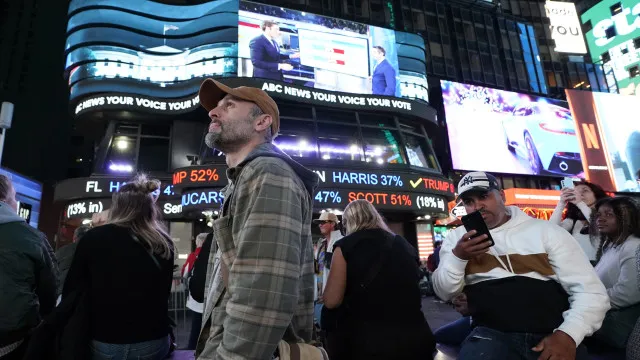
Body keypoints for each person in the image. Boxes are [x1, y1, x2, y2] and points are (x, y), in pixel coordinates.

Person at [195, 78, 319, 359]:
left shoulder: (268, 174)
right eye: (215, 107)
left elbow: (261, 298)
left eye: (229, 105)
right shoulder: (245, 178)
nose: (213, 112)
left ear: (261, 122)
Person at [432, 171, 610, 360]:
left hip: (552, 330)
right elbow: (444, 291)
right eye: (469, 202)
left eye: (484, 196)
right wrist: (459, 257)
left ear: (502, 195)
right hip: (490, 334)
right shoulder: (457, 238)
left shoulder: (546, 231)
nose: (478, 206)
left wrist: (568, 335)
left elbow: (591, 292)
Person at [63, 174, 175, 360]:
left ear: (116, 207)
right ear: (150, 208)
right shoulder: (163, 243)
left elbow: (72, 288)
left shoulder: (94, 238)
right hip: (154, 340)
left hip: (104, 339)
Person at [322, 199, 435, 360]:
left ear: (347, 222)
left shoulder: (345, 246)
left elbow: (331, 301)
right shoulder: (402, 243)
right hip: (416, 339)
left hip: (369, 343)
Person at [0, 174, 58, 360]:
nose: (16, 202)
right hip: (11, 341)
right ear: (4, 200)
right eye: (14, 197)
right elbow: (50, 291)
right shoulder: (31, 238)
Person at [589, 197, 640, 349]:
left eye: (609, 214)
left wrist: (588, 301)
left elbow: (628, 293)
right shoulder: (612, 244)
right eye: (598, 215)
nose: (600, 219)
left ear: (627, 219)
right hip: (602, 318)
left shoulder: (633, 247)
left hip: (617, 327)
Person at [549, 181, 608, 262]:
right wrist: (561, 203)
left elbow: (598, 223)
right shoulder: (573, 221)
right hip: (577, 267)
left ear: (596, 194)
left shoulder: (608, 216)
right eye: (576, 192)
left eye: (585, 191)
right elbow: (551, 230)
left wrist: (580, 203)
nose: (580, 194)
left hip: (600, 267)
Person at [313, 212, 343, 327]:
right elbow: (317, 269)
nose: (320, 225)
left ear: (333, 224)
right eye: (319, 223)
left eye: (323, 222)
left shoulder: (341, 242)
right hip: (319, 299)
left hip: (334, 300)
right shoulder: (321, 244)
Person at [186, 233, 214, 350]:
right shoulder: (211, 254)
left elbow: (186, 272)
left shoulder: (194, 255)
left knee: (196, 331)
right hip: (210, 300)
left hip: (197, 300)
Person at [56, 225, 90, 294]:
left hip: (61, 293)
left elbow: (50, 271)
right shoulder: (95, 252)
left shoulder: (62, 250)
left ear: (74, 237)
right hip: (84, 296)